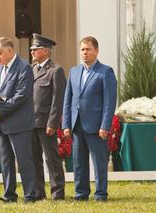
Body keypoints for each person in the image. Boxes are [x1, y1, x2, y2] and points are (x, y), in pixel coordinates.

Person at [62, 36, 117, 201]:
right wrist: (66, 124)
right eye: (82, 50)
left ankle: (100, 194)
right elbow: (68, 99)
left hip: (96, 126)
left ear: (97, 50)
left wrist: (105, 126)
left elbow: (109, 102)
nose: (85, 53)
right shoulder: (74, 71)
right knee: (79, 163)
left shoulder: (106, 72)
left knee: (99, 163)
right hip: (77, 125)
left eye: (88, 49)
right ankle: (81, 194)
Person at [0, 37, 36, 203]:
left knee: (24, 161)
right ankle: (9, 195)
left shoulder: (24, 67)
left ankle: (30, 195)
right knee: (6, 162)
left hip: (20, 123)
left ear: (10, 51)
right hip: (2, 124)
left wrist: (0, 111)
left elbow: (21, 95)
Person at [30, 33, 66, 201]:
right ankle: (38, 193)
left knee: (52, 159)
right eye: (32, 49)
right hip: (31, 122)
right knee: (34, 159)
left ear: (45, 51)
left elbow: (57, 100)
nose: (32, 52)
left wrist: (53, 123)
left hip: (46, 123)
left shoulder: (55, 70)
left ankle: (57, 193)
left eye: (35, 49)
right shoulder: (31, 69)